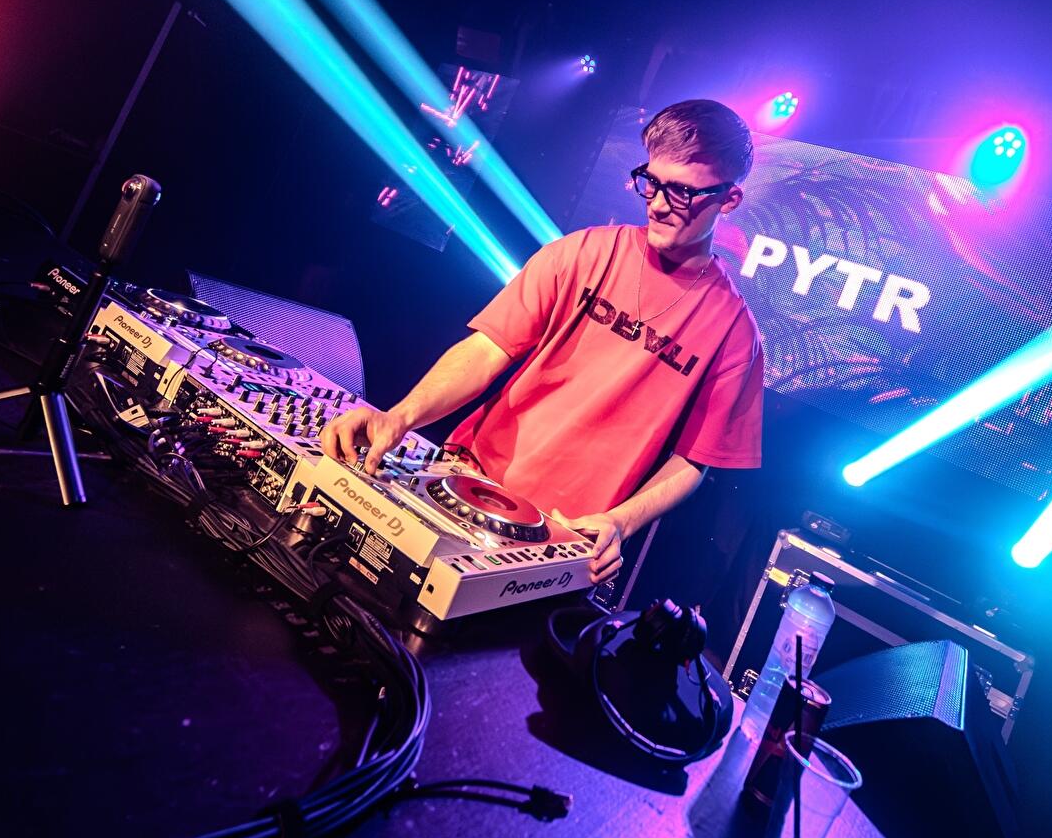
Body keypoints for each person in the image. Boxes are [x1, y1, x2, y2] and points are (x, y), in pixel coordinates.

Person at [319, 99, 766, 585]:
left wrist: (621, 522)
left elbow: (694, 460)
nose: (657, 204)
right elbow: (487, 350)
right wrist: (400, 417)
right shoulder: (581, 252)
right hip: (466, 481)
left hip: (566, 536)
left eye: (681, 192)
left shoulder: (735, 333)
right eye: (652, 182)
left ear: (729, 199)